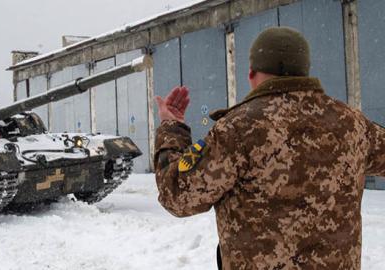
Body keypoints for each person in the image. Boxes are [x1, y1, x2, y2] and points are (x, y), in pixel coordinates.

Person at [154, 26, 385, 269]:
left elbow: (177, 195)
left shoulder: (236, 129)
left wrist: (172, 128)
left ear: (251, 73)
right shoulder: (352, 124)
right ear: (304, 71)